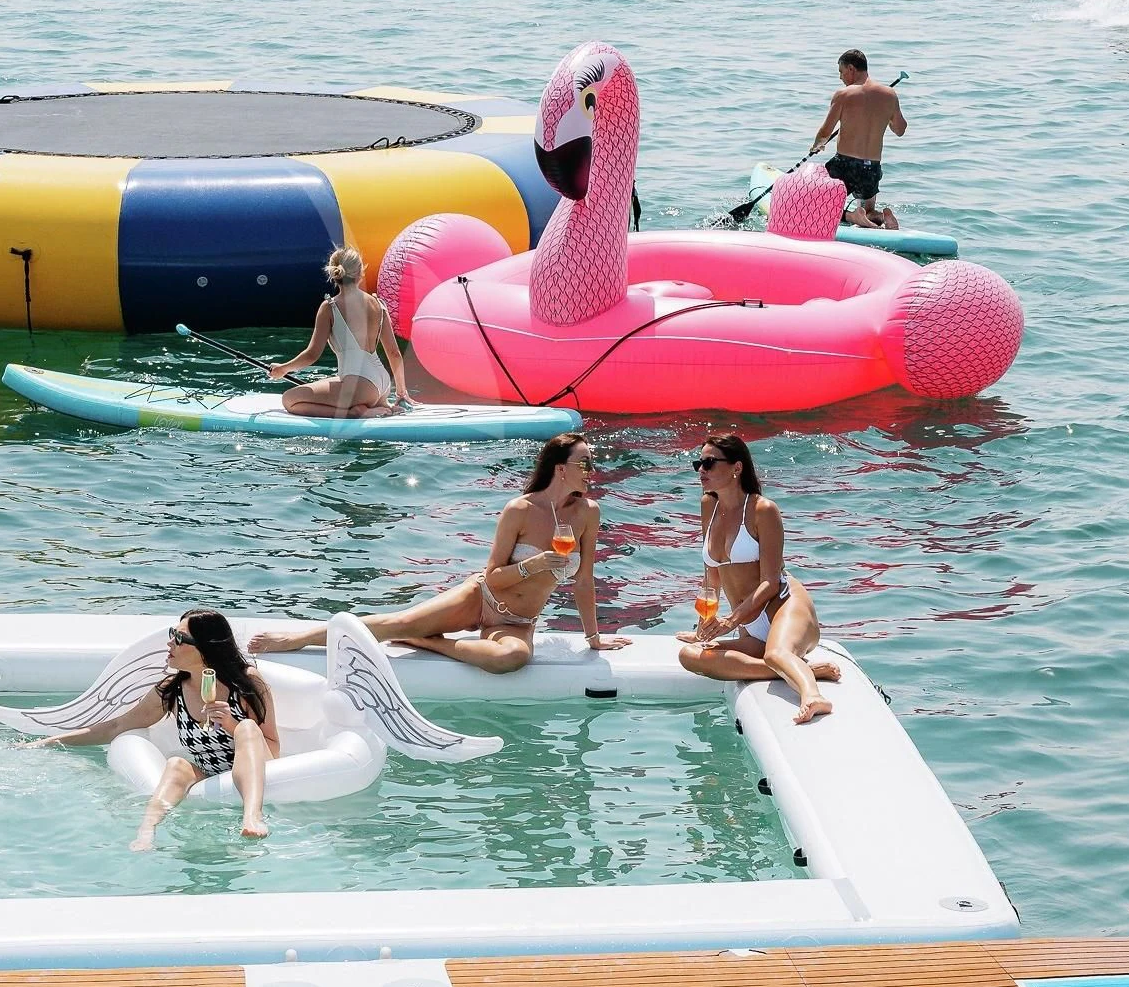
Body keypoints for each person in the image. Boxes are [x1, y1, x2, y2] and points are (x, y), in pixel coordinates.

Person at [252, 433, 631, 673]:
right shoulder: (520, 509)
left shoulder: (587, 513)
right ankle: (298, 638)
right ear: (561, 468)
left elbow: (584, 580)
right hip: (480, 596)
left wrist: (593, 637)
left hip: (515, 622)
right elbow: (495, 575)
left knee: (512, 659)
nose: (591, 471)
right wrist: (534, 565)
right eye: (585, 463)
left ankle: (431, 642)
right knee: (396, 624)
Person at [21, 610, 278, 848]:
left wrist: (231, 724)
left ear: (204, 649)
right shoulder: (173, 690)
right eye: (172, 634)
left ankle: (252, 817)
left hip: (259, 769)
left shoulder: (246, 681)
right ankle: (147, 831)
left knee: (246, 727)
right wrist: (51, 742)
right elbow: (118, 725)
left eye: (179, 638)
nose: (170, 643)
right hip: (210, 773)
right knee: (177, 764)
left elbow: (272, 745)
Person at [675, 436, 840, 724]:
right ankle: (806, 669)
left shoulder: (763, 509)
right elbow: (711, 573)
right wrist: (706, 623)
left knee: (776, 653)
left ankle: (814, 696)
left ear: (736, 467)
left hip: (783, 607)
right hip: (749, 624)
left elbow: (770, 583)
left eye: (710, 463)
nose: (701, 469)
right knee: (690, 655)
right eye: (698, 463)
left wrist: (730, 622)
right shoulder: (708, 505)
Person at [268, 247, 411, 417]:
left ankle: (356, 412)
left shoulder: (330, 307)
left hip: (359, 387)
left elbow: (312, 354)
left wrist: (283, 369)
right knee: (331, 384)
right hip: (382, 384)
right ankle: (381, 406)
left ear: (334, 275)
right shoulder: (378, 304)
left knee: (290, 399)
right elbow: (394, 353)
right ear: (360, 273)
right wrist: (401, 392)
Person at [806, 49, 906, 229]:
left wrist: (816, 147)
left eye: (841, 72)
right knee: (868, 209)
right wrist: (886, 116)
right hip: (872, 168)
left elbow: (825, 131)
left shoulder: (844, 94)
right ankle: (880, 217)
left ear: (851, 69)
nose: (840, 78)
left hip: (845, 165)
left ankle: (853, 217)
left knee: (815, 205)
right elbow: (900, 129)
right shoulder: (889, 95)